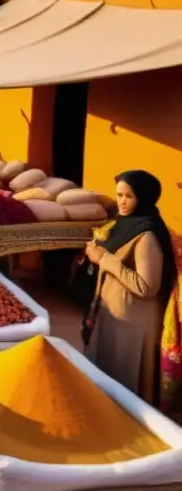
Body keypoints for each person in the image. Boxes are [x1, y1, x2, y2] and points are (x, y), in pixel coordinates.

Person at [83, 170, 176, 405]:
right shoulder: (124, 222)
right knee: (107, 371)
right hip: (114, 311)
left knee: (126, 376)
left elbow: (146, 287)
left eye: (129, 196)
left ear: (143, 198)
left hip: (133, 319)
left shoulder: (147, 236)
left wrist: (104, 259)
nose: (122, 202)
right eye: (119, 195)